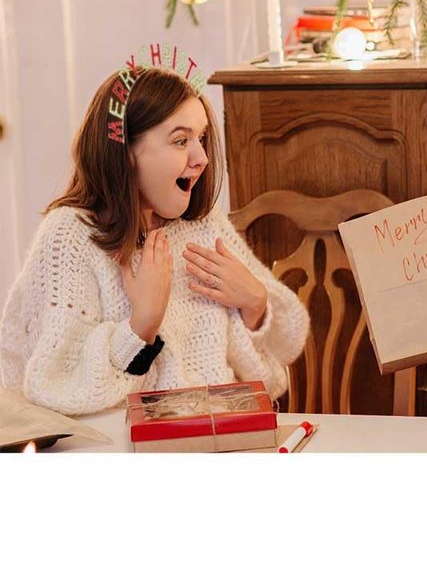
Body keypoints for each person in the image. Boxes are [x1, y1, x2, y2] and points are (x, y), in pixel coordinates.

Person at [0, 63, 310, 415]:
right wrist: (142, 324)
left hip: (220, 436)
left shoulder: (204, 226)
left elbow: (275, 365)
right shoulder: (70, 236)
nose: (202, 158)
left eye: (201, 138)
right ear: (125, 152)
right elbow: (54, 384)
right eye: (181, 141)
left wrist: (255, 305)